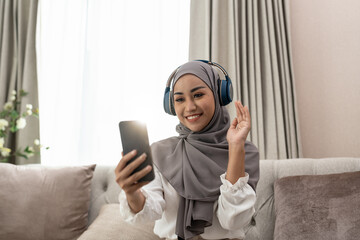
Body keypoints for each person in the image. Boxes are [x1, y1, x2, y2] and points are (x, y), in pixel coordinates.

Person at [115, 60, 259, 240]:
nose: (189, 107)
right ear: (171, 106)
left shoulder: (245, 151)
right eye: (180, 99)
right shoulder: (160, 152)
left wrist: (236, 147)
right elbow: (150, 211)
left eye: (198, 95)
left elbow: (233, 220)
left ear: (219, 94)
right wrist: (131, 192)